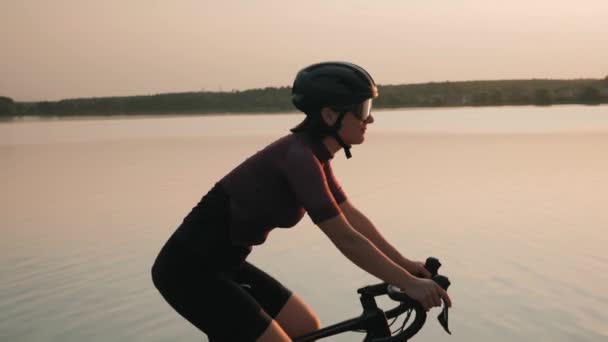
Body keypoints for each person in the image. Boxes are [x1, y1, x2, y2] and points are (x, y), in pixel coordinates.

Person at [151, 61, 452, 342]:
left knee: (305, 327)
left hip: (225, 264)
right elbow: (345, 238)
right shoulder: (299, 159)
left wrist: (406, 267)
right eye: (362, 108)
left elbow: (352, 219)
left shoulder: (314, 156)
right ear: (330, 115)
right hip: (187, 272)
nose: (369, 117)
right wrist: (408, 284)